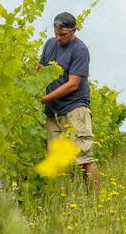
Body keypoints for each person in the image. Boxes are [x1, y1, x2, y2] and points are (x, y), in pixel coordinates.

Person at [38, 12, 99, 190]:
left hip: (75, 108)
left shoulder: (80, 50)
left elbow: (73, 84)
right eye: (56, 33)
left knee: (84, 158)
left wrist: (45, 98)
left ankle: (96, 202)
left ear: (74, 31)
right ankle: (60, 202)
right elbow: (41, 68)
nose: (59, 38)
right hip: (53, 111)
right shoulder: (50, 44)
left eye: (63, 35)